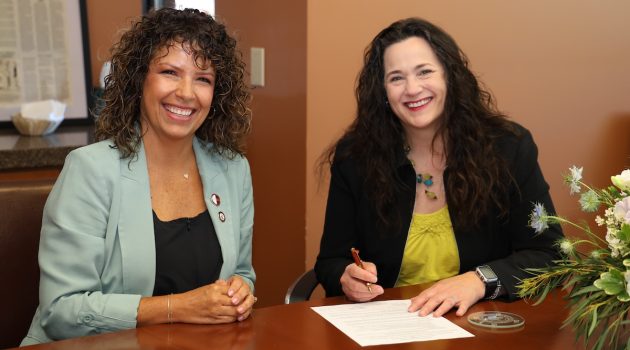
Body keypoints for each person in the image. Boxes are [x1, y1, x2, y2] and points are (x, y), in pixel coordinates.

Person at [22, 8, 255, 345]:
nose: (187, 93)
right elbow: (61, 311)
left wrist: (239, 292)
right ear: (139, 78)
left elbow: (242, 273)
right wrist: (176, 308)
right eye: (170, 72)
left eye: (203, 79)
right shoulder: (90, 170)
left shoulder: (233, 169)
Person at [314, 17, 563, 318]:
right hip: (389, 328)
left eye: (425, 72)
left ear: (450, 76)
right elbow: (330, 262)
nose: (412, 88)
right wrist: (346, 277)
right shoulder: (355, 157)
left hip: (478, 326)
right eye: (396, 78)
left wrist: (479, 280)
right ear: (382, 92)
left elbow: (550, 256)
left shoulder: (508, 148)